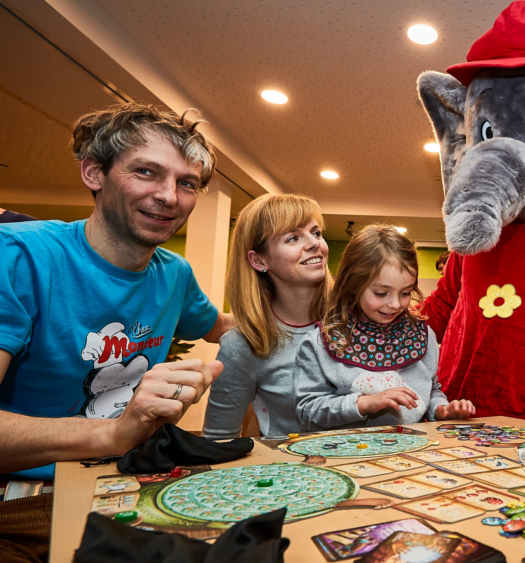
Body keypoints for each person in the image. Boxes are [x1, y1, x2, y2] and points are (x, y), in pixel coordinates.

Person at [0, 103, 233, 481]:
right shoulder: (15, 256)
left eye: (186, 183)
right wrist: (115, 432)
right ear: (94, 172)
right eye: (146, 172)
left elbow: (219, 326)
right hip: (26, 494)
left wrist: (320, 315)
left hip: (128, 477)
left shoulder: (174, 273)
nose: (169, 197)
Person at [295, 225, 475, 429]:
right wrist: (364, 403)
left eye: (406, 293)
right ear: (353, 286)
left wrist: (441, 410)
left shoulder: (423, 334)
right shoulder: (320, 341)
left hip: (410, 453)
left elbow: (432, 390)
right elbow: (307, 411)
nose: (395, 304)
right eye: (381, 293)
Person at [202, 194, 334, 439]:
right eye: (293, 238)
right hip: (296, 473)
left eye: (316, 233)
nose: (314, 243)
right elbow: (219, 440)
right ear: (259, 260)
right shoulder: (242, 345)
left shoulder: (360, 320)